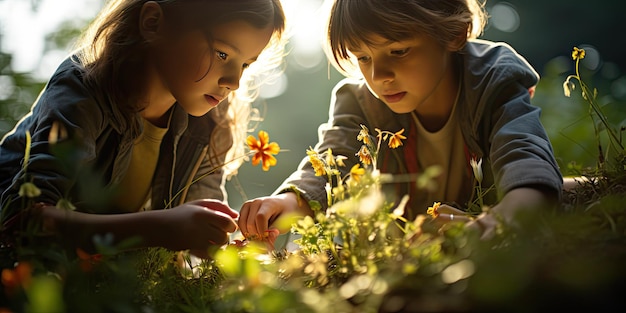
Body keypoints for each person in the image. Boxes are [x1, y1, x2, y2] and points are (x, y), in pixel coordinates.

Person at [238, 0, 563, 244]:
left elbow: (524, 155)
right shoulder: (361, 103)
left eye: (398, 51)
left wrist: (505, 218)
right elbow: (330, 164)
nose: (379, 76)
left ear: (453, 33)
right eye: (362, 57)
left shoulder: (494, 81)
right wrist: (285, 203)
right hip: (409, 249)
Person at [0, 0, 286, 259]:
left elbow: (197, 231)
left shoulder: (210, 119)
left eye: (246, 64)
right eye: (223, 54)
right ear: (153, 23)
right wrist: (158, 228)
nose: (235, 82)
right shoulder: (83, 89)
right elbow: (23, 221)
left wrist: (233, 247)